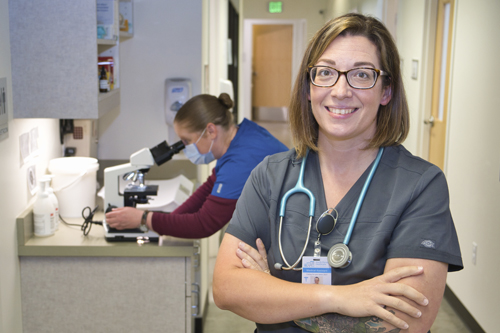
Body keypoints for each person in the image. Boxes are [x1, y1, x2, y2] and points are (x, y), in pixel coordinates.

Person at [213, 13, 463, 332]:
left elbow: (404, 322)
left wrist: (272, 292)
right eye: (326, 72)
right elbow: (226, 288)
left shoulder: (421, 186)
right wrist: (341, 298)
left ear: (386, 91)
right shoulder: (270, 176)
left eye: (361, 74)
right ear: (308, 88)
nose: (341, 90)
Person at [105, 93, 288, 239]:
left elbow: (204, 224)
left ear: (210, 131)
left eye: (187, 140)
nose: (185, 148)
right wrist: (170, 221)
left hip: (292, 233)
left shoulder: (241, 161)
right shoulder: (244, 135)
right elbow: (210, 186)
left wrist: (144, 219)